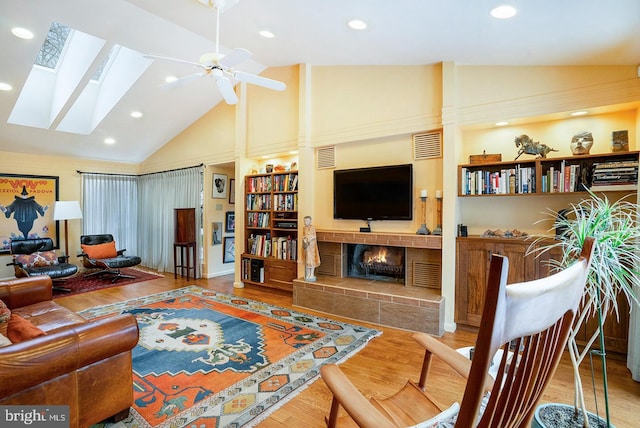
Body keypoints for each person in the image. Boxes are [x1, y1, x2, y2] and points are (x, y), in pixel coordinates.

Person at [302, 215, 320, 281]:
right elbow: (303, 235)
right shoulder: (304, 228)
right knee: (307, 260)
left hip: (311, 246)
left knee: (312, 260)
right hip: (306, 246)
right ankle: (308, 274)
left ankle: (312, 274)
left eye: (306, 221)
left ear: (310, 221)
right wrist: (304, 239)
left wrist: (309, 238)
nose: (305, 222)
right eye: (304, 221)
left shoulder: (313, 228)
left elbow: (314, 236)